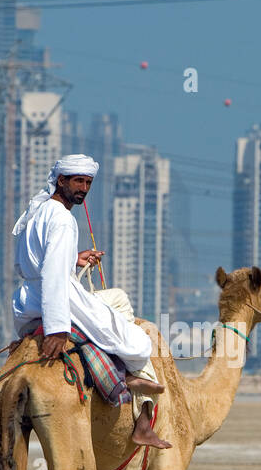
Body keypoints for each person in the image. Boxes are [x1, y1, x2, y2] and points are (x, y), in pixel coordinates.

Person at [11, 154, 171, 448]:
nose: (83, 188)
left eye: (88, 182)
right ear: (61, 181)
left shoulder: (39, 211)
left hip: (30, 299)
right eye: (78, 181)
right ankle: (136, 390)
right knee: (138, 342)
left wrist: (75, 260)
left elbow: (41, 264)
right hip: (56, 296)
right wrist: (57, 329)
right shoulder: (62, 219)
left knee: (117, 298)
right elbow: (53, 274)